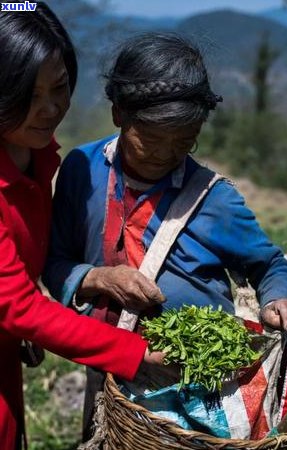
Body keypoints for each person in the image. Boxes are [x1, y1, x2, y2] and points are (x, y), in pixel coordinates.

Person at [43, 32, 287, 441]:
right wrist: (96, 278)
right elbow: (54, 263)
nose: (165, 154)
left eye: (184, 141)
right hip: (110, 369)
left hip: (194, 383)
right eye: (150, 139)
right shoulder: (82, 172)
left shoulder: (215, 200)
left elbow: (268, 264)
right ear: (119, 115)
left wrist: (278, 297)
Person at [0, 6, 166, 450]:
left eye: (60, 87)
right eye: (28, 95)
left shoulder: (36, 157)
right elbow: (19, 306)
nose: (50, 109)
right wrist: (134, 352)